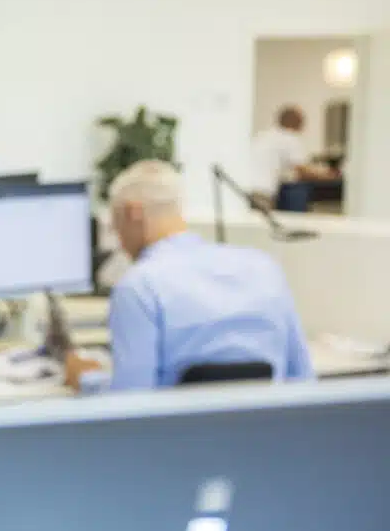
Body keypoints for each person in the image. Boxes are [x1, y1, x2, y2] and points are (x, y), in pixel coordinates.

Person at [64, 160, 313, 394]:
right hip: (264, 425)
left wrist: (85, 379)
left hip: (177, 427)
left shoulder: (139, 286)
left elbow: (131, 397)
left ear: (133, 213)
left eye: (114, 224)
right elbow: (302, 377)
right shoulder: (264, 268)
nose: (118, 238)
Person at [249, 106, 334, 206]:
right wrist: (329, 176)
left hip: (246, 187)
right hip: (261, 191)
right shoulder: (290, 137)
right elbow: (302, 172)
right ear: (296, 122)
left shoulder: (263, 135)